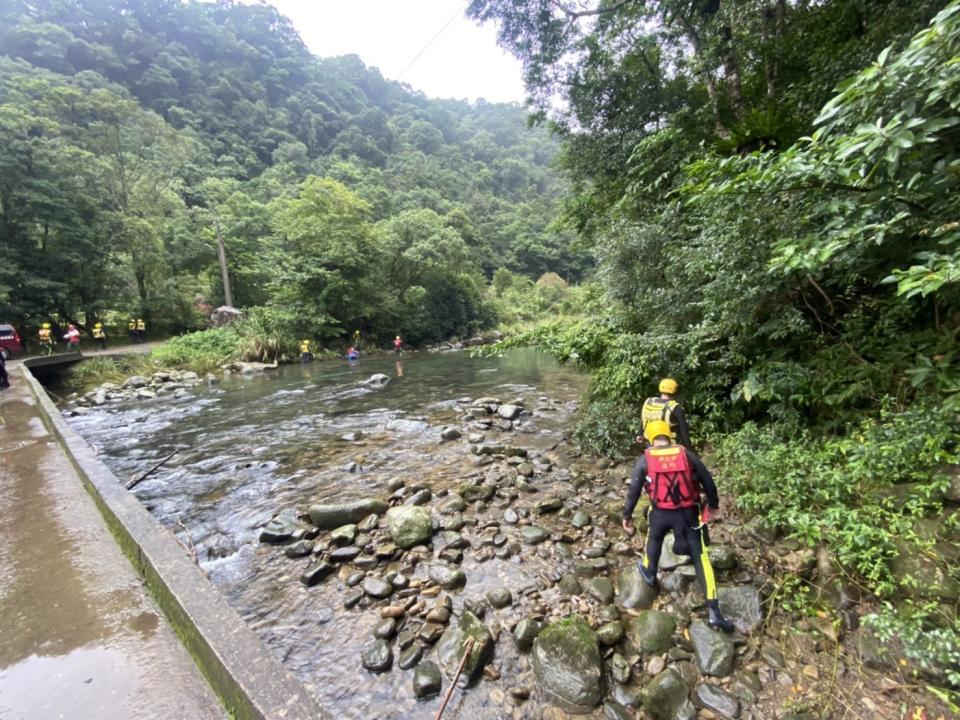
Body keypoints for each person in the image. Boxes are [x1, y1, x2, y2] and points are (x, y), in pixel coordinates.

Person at [622, 419, 735, 633]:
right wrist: (713, 506)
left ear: (649, 438)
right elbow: (708, 481)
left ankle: (649, 570)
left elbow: (634, 492)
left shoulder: (644, 460)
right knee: (702, 557)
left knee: (654, 538)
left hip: (661, 514)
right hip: (689, 513)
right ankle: (714, 612)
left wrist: (627, 515)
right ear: (668, 436)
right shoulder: (686, 455)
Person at [639, 378, 692, 450]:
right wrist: (690, 451)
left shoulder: (649, 402)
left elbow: (644, 419)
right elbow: (684, 433)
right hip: (669, 445)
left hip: (650, 443)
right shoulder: (676, 408)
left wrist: (640, 434)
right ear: (675, 391)